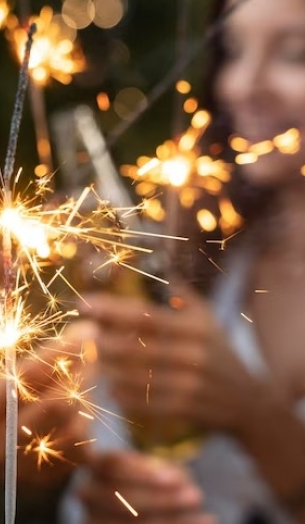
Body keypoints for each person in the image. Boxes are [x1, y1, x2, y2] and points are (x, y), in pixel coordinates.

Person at [62, 0, 305, 523]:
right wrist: (117, 497)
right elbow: (106, 456)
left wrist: (252, 413)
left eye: (295, 55)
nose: (242, 84)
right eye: (234, 51)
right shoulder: (196, 252)